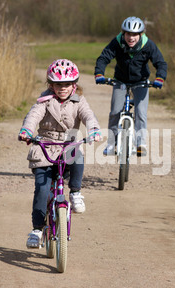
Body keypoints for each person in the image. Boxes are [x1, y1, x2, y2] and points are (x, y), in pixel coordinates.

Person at [18, 59, 101, 249]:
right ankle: (37, 229)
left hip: (68, 145)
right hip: (45, 147)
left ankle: (76, 192)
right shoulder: (44, 102)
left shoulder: (79, 101)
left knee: (78, 155)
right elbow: (33, 116)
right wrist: (27, 131)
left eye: (66, 84)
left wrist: (94, 129)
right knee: (42, 189)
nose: (62, 88)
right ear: (50, 84)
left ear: (74, 84)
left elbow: (88, 115)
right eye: (58, 84)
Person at [95, 16, 167, 157]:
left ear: (140, 34)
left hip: (141, 82)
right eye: (128, 34)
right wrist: (99, 73)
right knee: (115, 112)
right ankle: (111, 144)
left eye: (135, 34)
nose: (131, 38)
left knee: (140, 112)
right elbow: (104, 58)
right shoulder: (117, 42)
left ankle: (141, 144)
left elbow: (160, 62)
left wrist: (160, 77)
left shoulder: (148, 45)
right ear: (124, 33)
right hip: (120, 81)